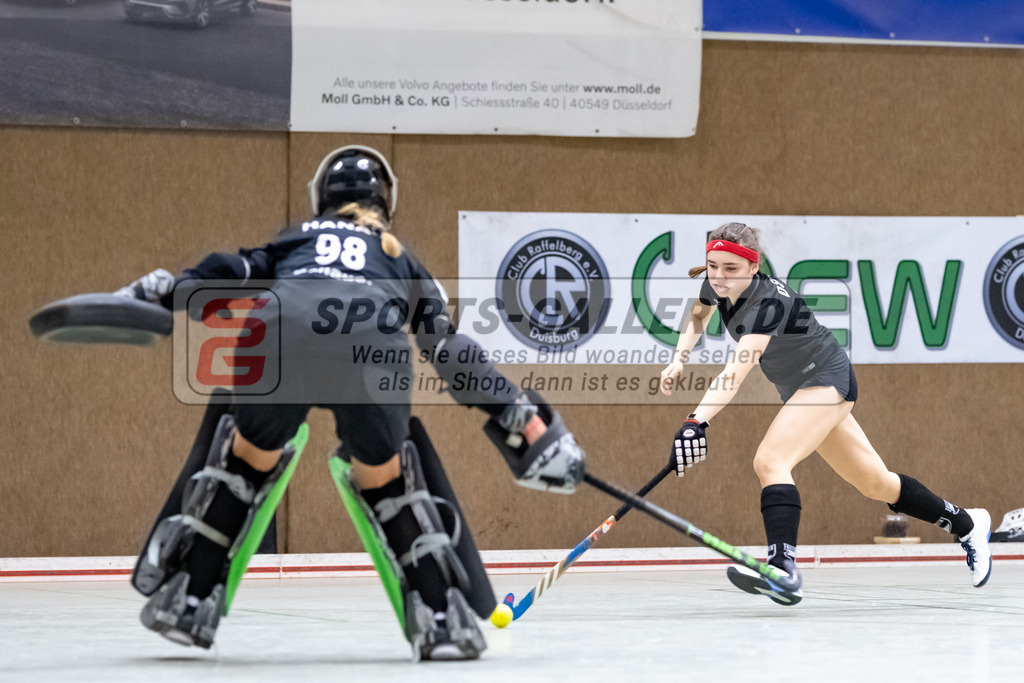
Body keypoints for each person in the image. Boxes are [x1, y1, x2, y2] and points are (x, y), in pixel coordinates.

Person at [117, 145, 585, 659]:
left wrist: (173, 288)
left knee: (245, 461)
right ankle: (440, 618)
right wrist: (516, 413)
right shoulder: (399, 258)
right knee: (385, 479)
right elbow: (446, 348)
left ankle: (189, 596)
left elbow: (234, 272)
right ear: (386, 201)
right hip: (370, 345)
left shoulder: (295, 238)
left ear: (321, 199)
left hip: (279, 335)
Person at [659, 221, 991, 605]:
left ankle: (782, 570)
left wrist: (696, 421)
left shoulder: (766, 304)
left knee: (770, 460)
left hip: (826, 379)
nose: (719, 276)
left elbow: (734, 375)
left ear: (754, 267)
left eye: (731, 268)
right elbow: (699, 316)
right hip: (801, 388)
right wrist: (678, 359)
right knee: (875, 483)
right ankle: (968, 523)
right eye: (713, 265)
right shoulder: (717, 284)